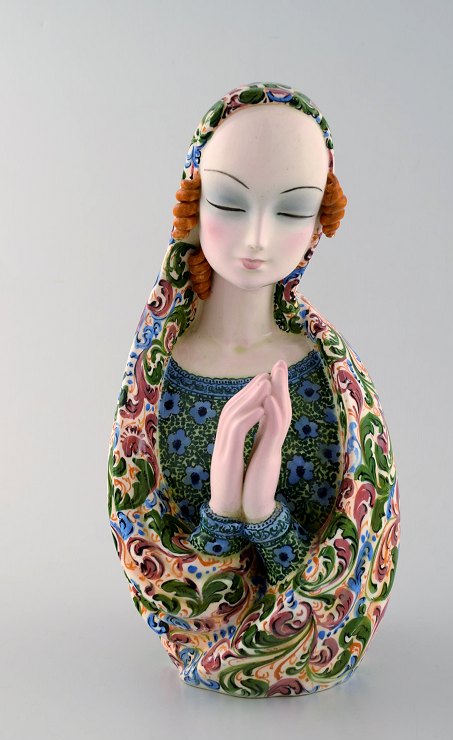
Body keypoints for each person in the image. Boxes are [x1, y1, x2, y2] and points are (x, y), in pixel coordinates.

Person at [107, 82, 400, 698]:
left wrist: (264, 512)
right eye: (231, 203)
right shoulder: (155, 384)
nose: (258, 237)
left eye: (291, 210)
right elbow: (153, 559)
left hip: (314, 651)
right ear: (193, 200)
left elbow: (350, 568)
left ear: (320, 221)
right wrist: (222, 506)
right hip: (198, 636)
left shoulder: (332, 384)